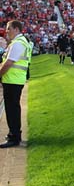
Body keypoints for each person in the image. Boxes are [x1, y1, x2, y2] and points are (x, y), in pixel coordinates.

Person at [0, 20, 32, 148]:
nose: (7, 31)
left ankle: (14, 137)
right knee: (13, 108)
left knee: (12, 109)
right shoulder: (20, 42)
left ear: (17, 29)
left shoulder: (18, 43)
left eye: (9, 29)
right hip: (14, 80)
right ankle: (14, 134)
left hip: (13, 80)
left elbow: (8, 63)